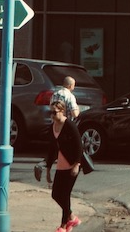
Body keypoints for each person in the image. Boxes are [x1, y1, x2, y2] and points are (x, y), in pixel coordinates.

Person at [44, 99, 83, 231]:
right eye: (50, 113)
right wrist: (48, 169)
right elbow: (51, 150)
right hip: (61, 166)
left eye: (54, 112)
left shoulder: (69, 125)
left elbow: (79, 146)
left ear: (62, 111)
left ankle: (63, 226)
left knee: (65, 194)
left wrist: (76, 164)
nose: (52, 116)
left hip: (72, 165)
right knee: (55, 194)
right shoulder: (52, 127)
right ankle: (72, 217)